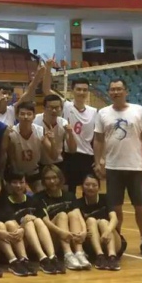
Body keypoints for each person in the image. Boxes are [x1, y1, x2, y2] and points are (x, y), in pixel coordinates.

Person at [94, 78, 142, 257]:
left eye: (119, 89)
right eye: (112, 89)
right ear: (109, 92)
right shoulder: (103, 113)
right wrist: (98, 162)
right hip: (112, 167)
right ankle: (117, 239)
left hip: (135, 167)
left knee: (141, 206)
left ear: (126, 91)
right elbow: (98, 139)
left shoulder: (138, 110)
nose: (115, 92)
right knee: (115, 208)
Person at [43, 62, 98, 192]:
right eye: (78, 89)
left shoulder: (94, 111)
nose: (81, 92)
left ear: (88, 92)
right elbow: (46, 89)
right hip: (69, 156)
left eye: (84, 90)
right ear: (73, 90)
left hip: (87, 156)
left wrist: (98, 159)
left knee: (89, 190)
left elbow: (97, 139)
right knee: (68, 191)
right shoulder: (66, 106)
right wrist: (48, 68)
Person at [0, 173, 61, 275]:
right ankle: (41, 258)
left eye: (21, 182)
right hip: (16, 239)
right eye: (15, 183)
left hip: (34, 240)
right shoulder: (4, 202)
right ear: (8, 185)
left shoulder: (33, 200)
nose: (18, 185)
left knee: (38, 220)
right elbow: (10, 224)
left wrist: (34, 218)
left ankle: (52, 257)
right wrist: (24, 224)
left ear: (25, 184)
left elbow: (43, 218)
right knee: (28, 223)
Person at [35, 165, 90, 271]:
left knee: (72, 214)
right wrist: (61, 232)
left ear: (60, 178)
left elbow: (79, 215)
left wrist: (84, 231)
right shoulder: (39, 198)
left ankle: (79, 253)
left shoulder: (69, 196)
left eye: (54, 177)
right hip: (52, 238)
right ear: (43, 181)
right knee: (62, 215)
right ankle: (67, 254)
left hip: (70, 236)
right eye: (48, 178)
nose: (52, 181)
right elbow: (45, 221)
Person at [78, 174, 125, 270]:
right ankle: (100, 256)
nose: (90, 188)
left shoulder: (106, 198)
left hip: (111, 238)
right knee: (91, 220)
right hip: (92, 242)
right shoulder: (78, 203)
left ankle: (112, 256)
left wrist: (107, 232)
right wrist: (84, 232)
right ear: (82, 187)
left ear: (99, 187)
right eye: (87, 185)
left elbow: (114, 218)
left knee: (103, 222)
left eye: (94, 185)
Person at [8, 101, 54, 192]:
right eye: (22, 114)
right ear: (17, 116)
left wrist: (52, 140)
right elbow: (11, 158)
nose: (25, 117)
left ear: (34, 116)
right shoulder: (11, 132)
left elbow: (53, 154)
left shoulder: (40, 131)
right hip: (17, 173)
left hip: (34, 172)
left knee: (41, 193)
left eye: (29, 114)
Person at [33, 94, 76, 173]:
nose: (54, 111)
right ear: (44, 108)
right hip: (38, 163)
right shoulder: (35, 121)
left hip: (58, 163)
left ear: (61, 109)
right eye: (50, 107)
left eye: (57, 107)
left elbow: (73, 150)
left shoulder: (63, 123)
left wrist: (70, 134)